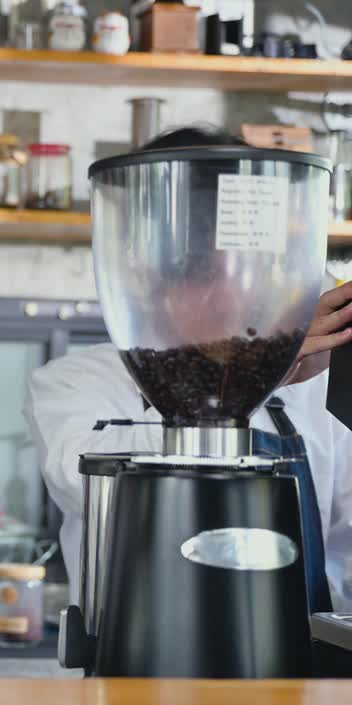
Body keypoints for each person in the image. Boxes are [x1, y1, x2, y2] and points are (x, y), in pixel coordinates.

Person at [26, 126, 352, 612]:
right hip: (136, 681)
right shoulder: (78, 384)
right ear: (144, 272)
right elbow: (90, 485)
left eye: (247, 266)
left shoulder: (314, 387)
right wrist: (255, 378)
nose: (232, 289)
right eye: (201, 269)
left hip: (311, 680)